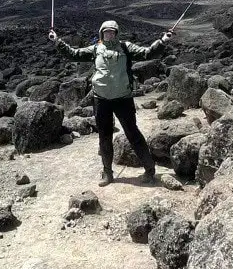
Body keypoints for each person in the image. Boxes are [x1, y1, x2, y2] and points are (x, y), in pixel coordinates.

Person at [49, 19, 172, 186]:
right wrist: (57, 41)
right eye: (106, 32)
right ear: (101, 33)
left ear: (116, 33)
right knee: (104, 136)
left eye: (112, 31)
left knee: (133, 133)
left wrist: (162, 42)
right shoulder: (95, 49)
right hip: (101, 99)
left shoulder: (126, 47)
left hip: (123, 98)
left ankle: (149, 170)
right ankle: (108, 173)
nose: (109, 34)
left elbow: (147, 53)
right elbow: (73, 54)